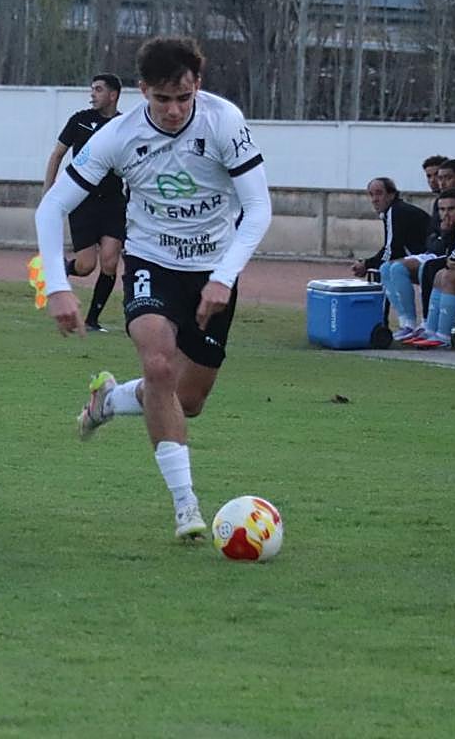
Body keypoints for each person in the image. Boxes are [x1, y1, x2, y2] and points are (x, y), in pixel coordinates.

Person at [34, 36, 272, 539]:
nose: (172, 109)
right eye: (161, 99)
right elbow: (51, 206)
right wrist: (57, 286)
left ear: (197, 87)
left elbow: (259, 209)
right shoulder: (117, 136)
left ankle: (110, 401)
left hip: (214, 268)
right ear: (143, 91)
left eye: (183, 98)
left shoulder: (224, 122)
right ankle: (187, 507)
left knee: (188, 402)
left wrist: (224, 278)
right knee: (159, 364)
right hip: (151, 261)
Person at [41, 73, 125, 332]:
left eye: (98, 90)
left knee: (110, 262)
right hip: (83, 200)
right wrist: (49, 194)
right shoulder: (80, 121)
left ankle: (92, 321)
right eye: (92, 89)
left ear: (113, 95)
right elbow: (57, 154)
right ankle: (61, 271)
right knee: (87, 266)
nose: (93, 94)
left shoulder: (124, 125)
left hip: (113, 203)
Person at [401, 189, 455, 348]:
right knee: (439, 275)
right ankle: (431, 330)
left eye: (451, 209)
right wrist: (447, 232)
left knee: (449, 277)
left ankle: (443, 337)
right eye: (442, 210)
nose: (446, 214)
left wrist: (453, 259)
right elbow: (451, 250)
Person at [350, 176, 430, 280]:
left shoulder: (395, 211)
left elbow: (392, 250)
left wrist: (367, 264)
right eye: (371, 195)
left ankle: (395, 297)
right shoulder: (394, 210)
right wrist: (367, 263)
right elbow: (391, 248)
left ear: (391, 195)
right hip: (423, 256)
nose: (374, 199)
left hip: (429, 258)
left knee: (385, 268)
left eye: (379, 193)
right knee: (385, 266)